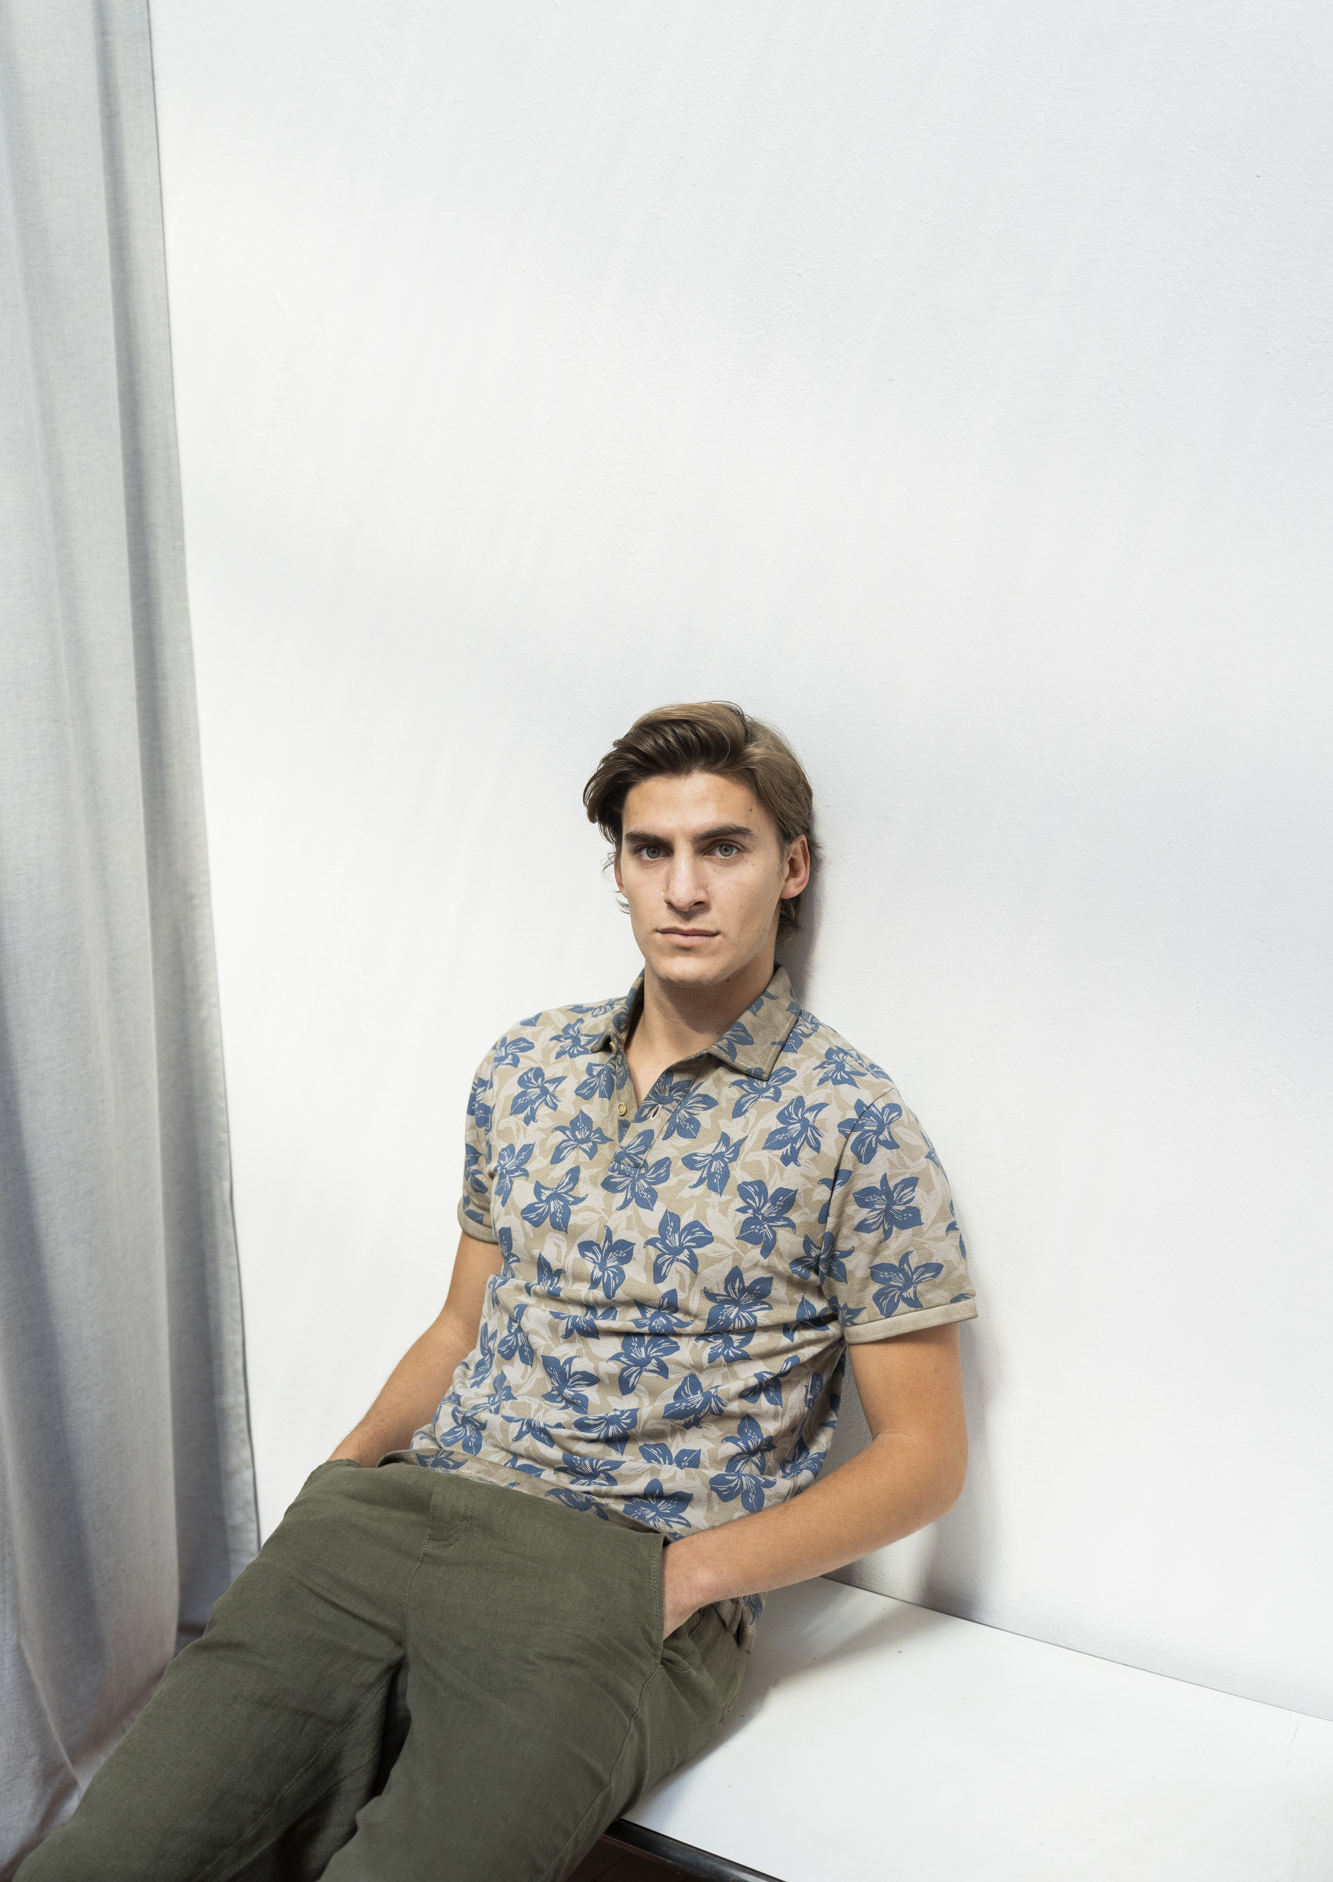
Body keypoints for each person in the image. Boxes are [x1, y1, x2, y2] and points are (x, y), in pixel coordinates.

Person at [21, 701, 976, 1882]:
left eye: (722, 847)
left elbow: (925, 1454)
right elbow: (461, 1321)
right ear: (617, 871)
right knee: (103, 1859)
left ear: (791, 868)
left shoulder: (854, 1123)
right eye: (650, 849)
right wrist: (343, 1471)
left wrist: (684, 1578)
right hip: (388, 1519)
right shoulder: (527, 1065)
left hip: (611, 1570)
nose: (683, 887)